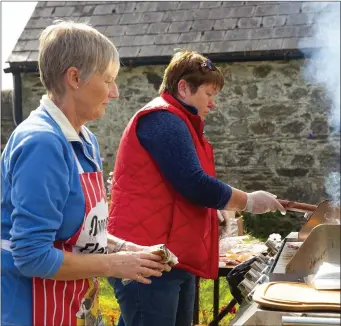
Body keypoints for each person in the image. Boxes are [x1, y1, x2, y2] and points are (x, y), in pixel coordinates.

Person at [1, 21, 170, 326]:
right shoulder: (43, 143)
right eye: (108, 80)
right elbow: (31, 256)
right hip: (31, 310)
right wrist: (115, 265)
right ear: (75, 77)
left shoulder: (84, 139)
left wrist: (124, 249)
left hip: (75, 303)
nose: (115, 92)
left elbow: (80, 232)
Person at [107, 50, 286, 326]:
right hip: (147, 257)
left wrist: (215, 211)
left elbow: (177, 188)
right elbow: (194, 183)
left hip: (169, 255)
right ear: (183, 88)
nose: (213, 104)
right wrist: (247, 201)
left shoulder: (178, 121)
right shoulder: (163, 119)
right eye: (208, 94)